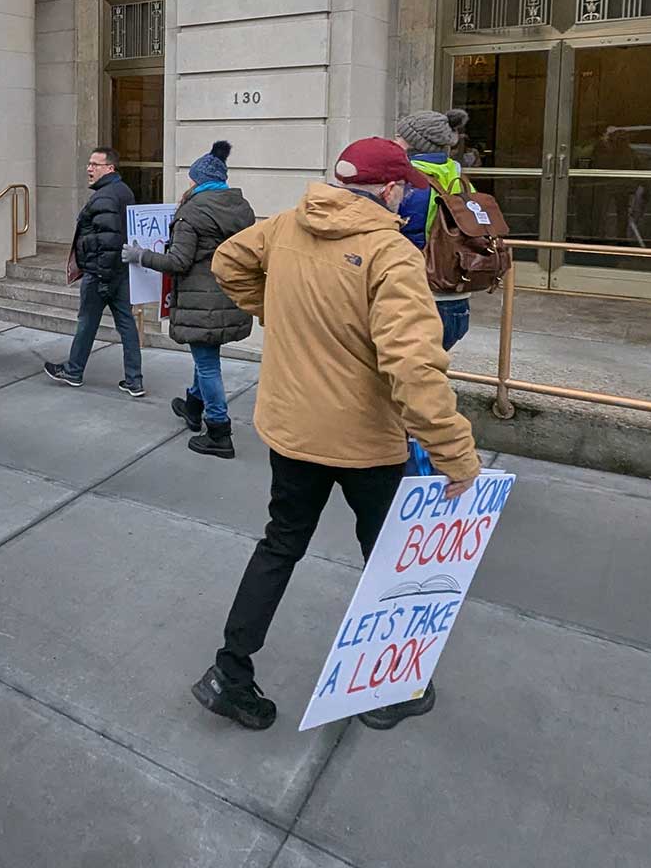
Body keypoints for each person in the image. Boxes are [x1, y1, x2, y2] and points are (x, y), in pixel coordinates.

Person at [190, 137, 481, 734]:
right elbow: (413, 369)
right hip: (363, 441)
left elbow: (227, 262)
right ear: (395, 189)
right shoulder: (391, 253)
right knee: (388, 558)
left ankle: (229, 672)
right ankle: (391, 685)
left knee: (280, 544)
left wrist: (277, 311)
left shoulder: (286, 226)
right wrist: (456, 455)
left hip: (292, 429)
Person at [120, 141, 254, 458]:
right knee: (206, 356)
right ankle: (194, 406)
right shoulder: (241, 208)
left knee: (207, 364)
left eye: (191, 179)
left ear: (197, 180)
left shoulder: (191, 213)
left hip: (201, 302)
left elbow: (178, 262)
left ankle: (219, 431)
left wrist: (141, 255)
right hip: (230, 296)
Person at [43, 147, 142, 397]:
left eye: (95, 164)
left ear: (109, 168)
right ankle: (134, 381)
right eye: (89, 164)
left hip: (102, 274)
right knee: (127, 325)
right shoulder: (123, 191)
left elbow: (108, 242)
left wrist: (103, 280)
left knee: (87, 323)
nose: (89, 169)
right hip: (119, 271)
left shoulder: (104, 197)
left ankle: (74, 371)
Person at [394, 109, 472, 350]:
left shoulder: (410, 183)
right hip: (457, 296)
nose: (394, 140)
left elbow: (400, 238)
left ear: (414, 143)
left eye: (399, 135)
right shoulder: (461, 180)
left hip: (419, 298)